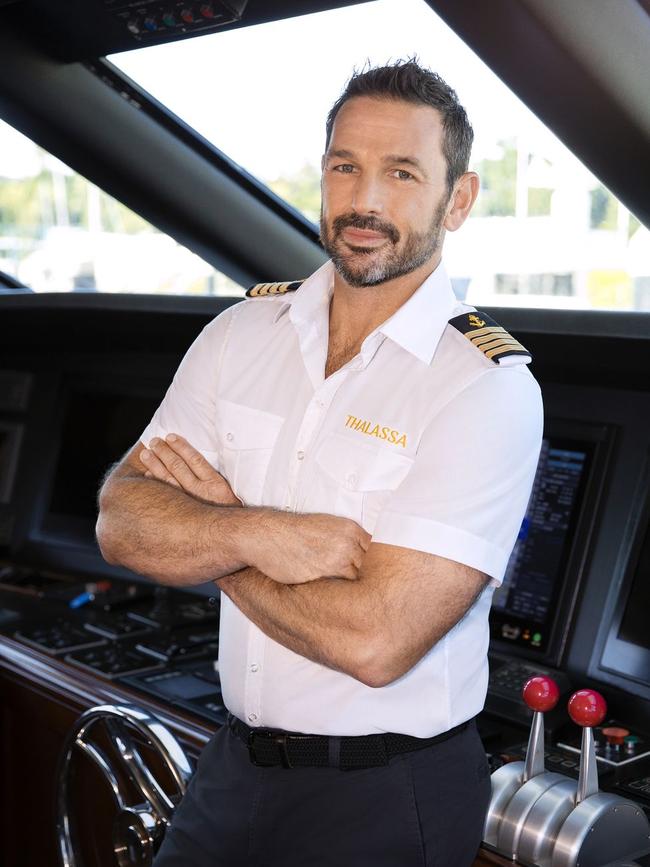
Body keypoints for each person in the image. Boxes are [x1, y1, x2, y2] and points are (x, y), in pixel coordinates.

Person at [97, 59, 543, 866]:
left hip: (384, 793)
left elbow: (377, 642)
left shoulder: (484, 389)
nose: (365, 200)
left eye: (402, 173)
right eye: (346, 166)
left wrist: (218, 542)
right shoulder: (240, 336)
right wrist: (265, 531)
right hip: (233, 765)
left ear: (460, 199)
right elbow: (122, 520)